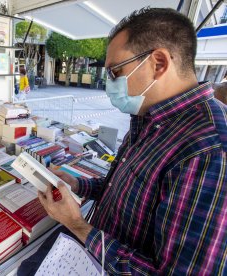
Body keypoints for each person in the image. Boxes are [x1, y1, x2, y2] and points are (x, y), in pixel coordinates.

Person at [33, 8, 227, 275]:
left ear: (158, 63)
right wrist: (78, 184)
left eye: (115, 71)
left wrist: (78, 225)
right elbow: (121, 187)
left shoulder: (210, 148)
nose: (109, 83)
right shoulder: (148, 116)